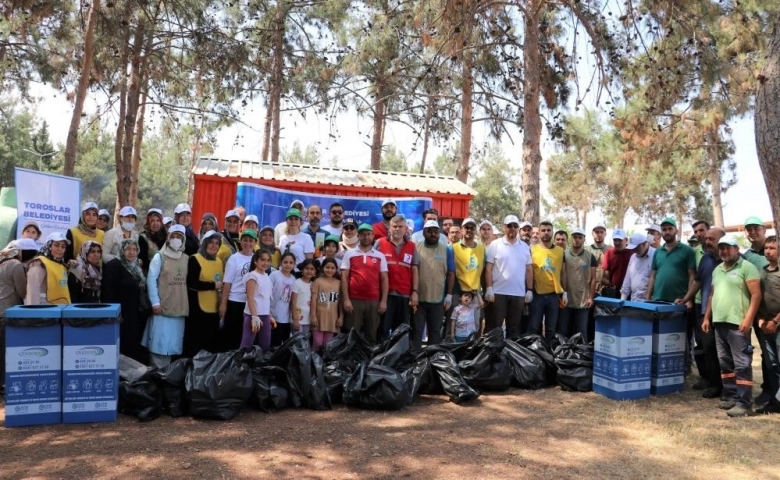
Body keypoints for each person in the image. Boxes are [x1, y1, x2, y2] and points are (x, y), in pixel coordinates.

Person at [703, 235, 762, 417]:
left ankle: (745, 403)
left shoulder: (747, 267)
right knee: (725, 362)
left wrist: (748, 319)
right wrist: (707, 318)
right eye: (721, 248)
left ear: (737, 249)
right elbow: (712, 295)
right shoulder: (717, 269)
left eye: (728, 247)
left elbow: (756, 295)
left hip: (738, 324)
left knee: (742, 364)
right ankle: (730, 395)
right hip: (719, 322)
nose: (724, 251)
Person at [678, 227, 727, 398]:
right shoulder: (705, 259)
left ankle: (731, 388)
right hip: (706, 313)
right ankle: (715, 384)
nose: (707, 242)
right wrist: (686, 298)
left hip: (727, 315)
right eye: (706, 239)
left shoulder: (734, 260)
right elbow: (697, 281)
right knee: (709, 349)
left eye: (711, 239)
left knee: (728, 353)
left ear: (722, 240)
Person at [143, 225, 189, 368]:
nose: (176, 239)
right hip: (162, 307)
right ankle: (155, 378)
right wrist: (155, 302)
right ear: (168, 238)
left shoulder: (186, 258)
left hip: (178, 308)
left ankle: (166, 378)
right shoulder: (159, 256)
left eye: (179, 237)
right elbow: (151, 280)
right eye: (173, 236)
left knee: (171, 347)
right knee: (158, 345)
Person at [484, 215, 533, 338]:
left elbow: (529, 270)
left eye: (515, 226)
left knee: (514, 329)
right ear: (504, 227)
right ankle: (493, 356)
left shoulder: (525, 247)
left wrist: (530, 290)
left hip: (518, 294)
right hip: (498, 293)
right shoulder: (495, 244)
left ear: (518, 228)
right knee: (495, 328)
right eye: (509, 226)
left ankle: (510, 356)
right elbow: (488, 268)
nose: (512, 228)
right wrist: (489, 288)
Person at [742, 216, 773, 407]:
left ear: (764, 230)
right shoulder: (745, 256)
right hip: (756, 314)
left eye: (756, 228)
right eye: (749, 229)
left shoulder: (774, 252)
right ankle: (768, 390)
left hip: (774, 313)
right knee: (765, 354)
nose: (753, 232)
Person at [103, 238, 150, 363]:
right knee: (123, 343)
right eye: (128, 249)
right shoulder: (114, 265)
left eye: (135, 249)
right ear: (122, 250)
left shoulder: (137, 266)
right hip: (121, 313)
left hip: (136, 312)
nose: (131, 252)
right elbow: (108, 291)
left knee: (134, 343)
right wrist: (114, 313)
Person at [341, 223, 388, 345]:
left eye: (368, 234)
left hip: (374, 301)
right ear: (358, 236)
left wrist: (383, 301)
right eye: (362, 234)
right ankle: (350, 361)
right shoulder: (349, 254)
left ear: (373, 236)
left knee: (371, 334)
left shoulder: (380, 256)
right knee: (351, 334)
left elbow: (384, 279)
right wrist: (346, 299)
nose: (366, 237)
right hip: (354, 300)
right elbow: (344, 277)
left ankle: (368, 361)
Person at [0, 239, 38, 392]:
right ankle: (3, 383)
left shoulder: (2, 263)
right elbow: (22, 292)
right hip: (6, 312)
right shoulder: (15, 266)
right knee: (4, 351)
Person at [411, 219, 454, 350]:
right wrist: (413, 293)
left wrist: (449, 295)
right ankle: (415, 361)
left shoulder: (446, 250)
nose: (433, 234)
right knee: (416, 332)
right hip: (419, 300)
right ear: (424, 232)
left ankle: (431, 362)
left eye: (436, 231)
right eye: (429, 231)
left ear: (439, 233)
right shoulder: (416, 247)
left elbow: (451, 273)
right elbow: (413, 271)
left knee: (435, 333)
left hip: (438, 300)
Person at [375, 215, 417, 341]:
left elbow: (415, 270)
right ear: (389, 228)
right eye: (394, 226)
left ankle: (398, 358)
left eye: (400, 227)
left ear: (405, 229)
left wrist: (415, 292)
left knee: (400, 333)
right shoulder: (380, 243)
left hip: (404, 295)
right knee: (382, 330)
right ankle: (381, 358)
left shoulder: (412, 246)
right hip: (385, 295)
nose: (397, 229)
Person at [184, 231, 224, 357]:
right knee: (196, 343)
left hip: (214, 309)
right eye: (211, 242)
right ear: (205, 243)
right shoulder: (195, 259)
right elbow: (191, 283)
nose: (214, 245)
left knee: (211, 343)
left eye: (217, 243)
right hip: (198, 310)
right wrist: (212, 285)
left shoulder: (219, 261)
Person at [218, 228, 258, 351]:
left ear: (255, 242)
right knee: (232, 337)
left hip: (250, 304)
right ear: (241, 242)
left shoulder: (257, 259)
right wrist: (223, 304)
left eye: (250, 240)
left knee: (245, 337)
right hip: (235, 302)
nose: (247, 243)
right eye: (245, 240)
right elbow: (227, 283)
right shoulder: (234, 258)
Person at [529, 220, 567, 344]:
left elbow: (563, 273)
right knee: (534, 327)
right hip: (537, 295)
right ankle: (535, 354)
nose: (546, 233)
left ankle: (549, 354)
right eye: (543, 230)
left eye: (548, 230)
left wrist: (564, 292)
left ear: (552, 232)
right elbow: (528, 272)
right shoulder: (532, 250)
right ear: (539, 233)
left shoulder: (560, 251)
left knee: (551, 329)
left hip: (553, 296)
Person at [559, 227, 597, 339]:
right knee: (563, 329)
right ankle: (562, 354)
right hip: (566, 299)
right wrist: (562, 294)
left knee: (582, 331)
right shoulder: (564, 254)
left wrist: (591, 297)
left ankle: (582, 354)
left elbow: (594, 278)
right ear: (571, 238)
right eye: (575, 237)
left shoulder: (590, 256)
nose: (577, 239)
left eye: (580, 237)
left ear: (584, 239)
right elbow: (562, 274)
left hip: (583, 300)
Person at [648, 218, 696, 302]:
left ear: (676, 231)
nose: (667, 232)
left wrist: (688, 300)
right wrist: (648, 297)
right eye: (664, 229)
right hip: (657, 300)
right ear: (661, 233)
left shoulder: (687, 251)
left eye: (670, 229)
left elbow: (692, 276)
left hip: (678, 301)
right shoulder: (658, 252)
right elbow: (653, 276)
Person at [450, 217, 485, 334]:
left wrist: (486, 290)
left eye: (472, 228)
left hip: (475, 293)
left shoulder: (481, 248)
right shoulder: (453, 248)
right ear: (462, 230)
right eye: (466, 228)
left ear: (475, 230)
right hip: (458, 292)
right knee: (455, 323)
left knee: (474, 325)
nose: (469, 230)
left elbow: (484, 270)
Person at [757, 235, 780, 414]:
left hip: (777, 323)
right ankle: (775, 399)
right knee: (771, 364)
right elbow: (758, 298)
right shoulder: (762, 271)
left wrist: (775, 321)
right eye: (766, 248)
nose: (768, 251)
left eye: (772, 248)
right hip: (766, 325)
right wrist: (761, 319)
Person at [242, 250, 276, 351]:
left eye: (268, 260)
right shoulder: (252, 276)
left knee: (265, 344)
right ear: (256, 261)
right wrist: (254, 316)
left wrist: (269, 315)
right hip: (253, 315)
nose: (265, 263)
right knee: (246, 344)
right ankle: (240, 366)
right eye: (262, 260)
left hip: (265, 315)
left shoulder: (267, 277)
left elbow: (266, 299)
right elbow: (250, 297)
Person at [25, 232, 71, 305]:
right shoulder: (39, 263)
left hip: (60, 310)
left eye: (63, 247)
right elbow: (32, 291)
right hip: (43, 311)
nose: (60, 249)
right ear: (49, 245)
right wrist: (32, 312)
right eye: (56, 245)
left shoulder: (62, 265)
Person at [311, 258, 342, 351]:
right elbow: (314, 299)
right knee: (317, 342)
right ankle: (314, 362)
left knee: (327, 345)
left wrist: (341, 317)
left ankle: (324, 363)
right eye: (327, 267)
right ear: (322, 268)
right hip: (319, 316)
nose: (329, 270)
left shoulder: (339, 283)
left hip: (332, 318)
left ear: (336, 269)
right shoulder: (318, 281)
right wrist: (313, 316)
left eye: (332, 268)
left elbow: (340, 301)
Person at [270, 252, 296, 346]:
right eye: (285, 262)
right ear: (280, 262)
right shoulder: (274, 275)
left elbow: (292, 300)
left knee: (284, 343)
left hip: (285, 318)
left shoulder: (293, 279)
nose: (288, 265)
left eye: (290, 262)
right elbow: (267, 293)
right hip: (273, 315)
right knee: (273, 342)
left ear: (294, 264)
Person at [620, 233, 656, 302]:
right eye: (633, 248)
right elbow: (627, 279)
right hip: (634, 300)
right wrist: (622, 299)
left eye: (636, 248)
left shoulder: (655, 254)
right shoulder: (633, 257)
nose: (634, 250)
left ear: (644, 244)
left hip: (650, 302)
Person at [601, 228, 635, 298]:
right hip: (613, 292)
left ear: (626, 240)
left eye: (619, 240)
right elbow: (605, 276)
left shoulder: (632, 253)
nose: (617, 243)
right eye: (615, 240)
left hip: (630, 292)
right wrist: (610, 284)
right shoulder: (609, 253)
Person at [292, 259, 318, 335]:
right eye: (307, 268)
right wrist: (295, 319)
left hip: (308, 319)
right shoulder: (297, 283)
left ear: (315, 271)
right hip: (297, 319)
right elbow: (293, 302)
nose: (309, 271)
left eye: (312, 269)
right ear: (302, 269)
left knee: (305, 341)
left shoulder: (314, 284)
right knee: (297, 342)